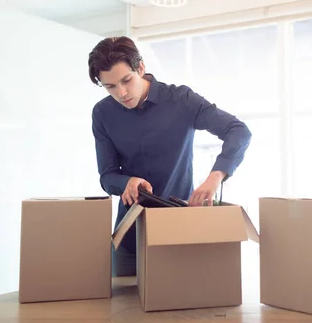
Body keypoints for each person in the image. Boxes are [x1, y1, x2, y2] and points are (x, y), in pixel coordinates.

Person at [88, 36, 252, 276]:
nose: (121, 93)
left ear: (141, 68)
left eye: (126, 80)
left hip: (179, 231)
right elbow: (107, 176)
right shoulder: (102, 113)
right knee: (121, 313)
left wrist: (216, 176)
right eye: (110, 86)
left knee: (179, 310)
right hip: (129, 239)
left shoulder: (181, 100)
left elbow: (238, 131)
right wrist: (127, 182)